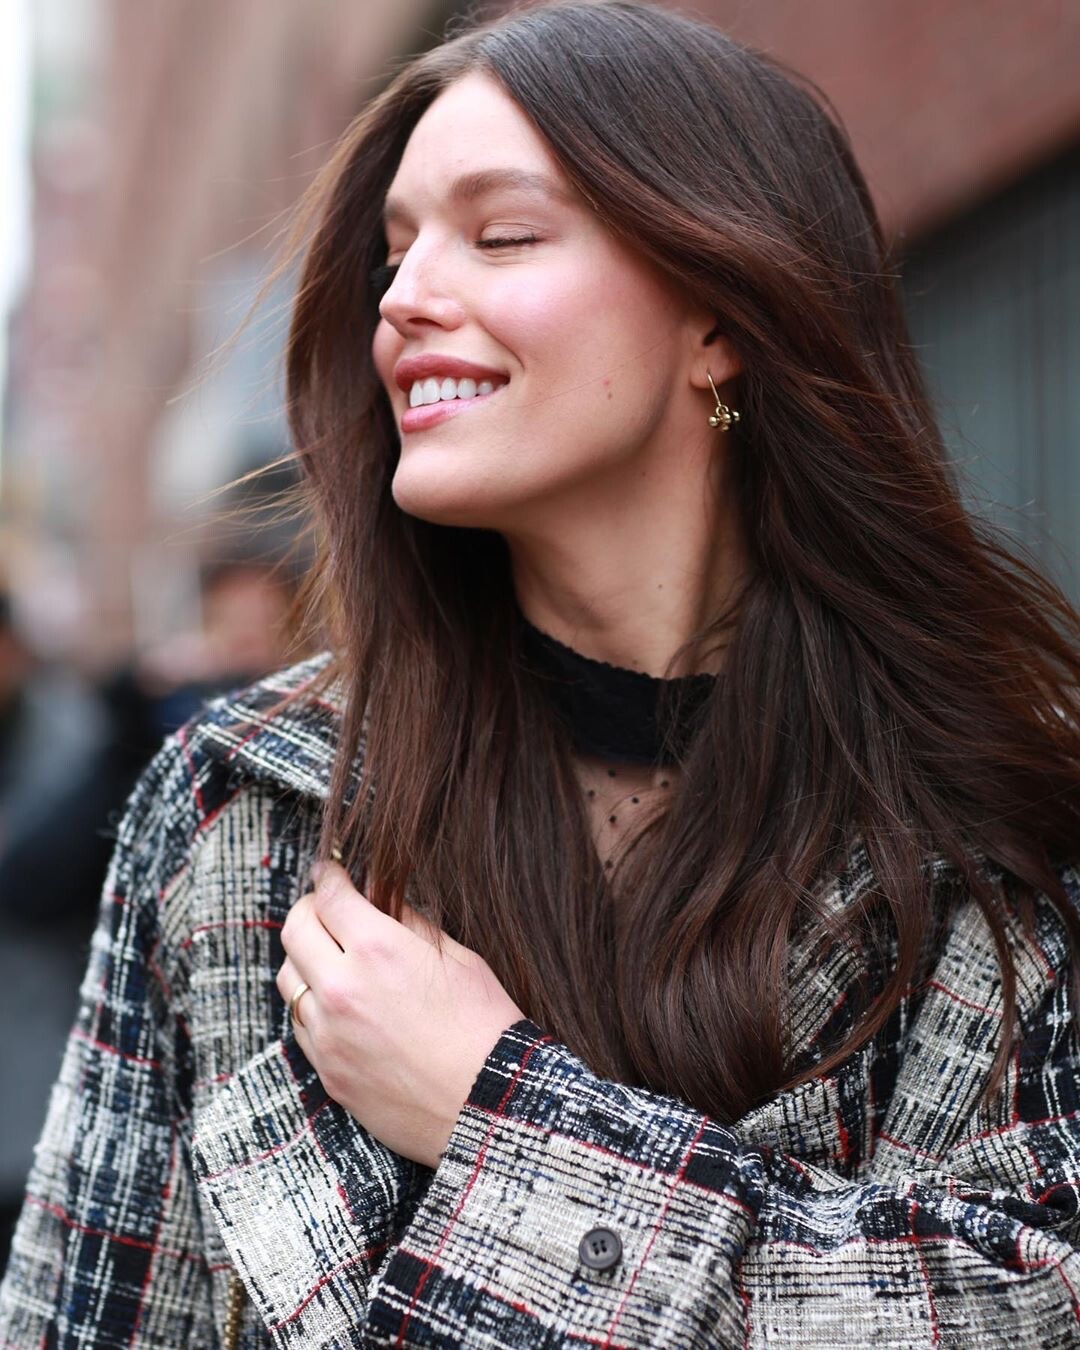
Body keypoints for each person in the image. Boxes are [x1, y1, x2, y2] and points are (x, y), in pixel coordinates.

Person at [2, 1, 1078, 1344]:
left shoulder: (993, 823)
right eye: (393, 252)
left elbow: (1028, 1301)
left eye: (502, 235)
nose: (403, 299)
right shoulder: (244, 811)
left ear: (720, 317)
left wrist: (497, 1113)